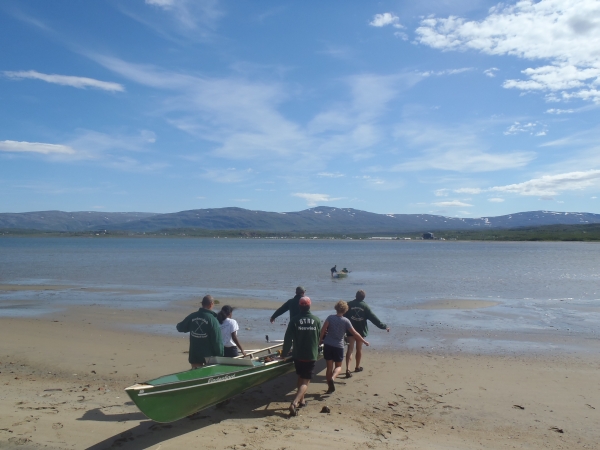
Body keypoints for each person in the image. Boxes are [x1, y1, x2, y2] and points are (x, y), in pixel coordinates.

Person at [281, 296, 321, 417]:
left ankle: (302, 401)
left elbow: (288, 338)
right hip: (310, 354)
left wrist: (284, 353)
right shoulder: (316, 320)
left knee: (300, 376)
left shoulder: (294, 320)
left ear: (299, 306)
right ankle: (294, 403)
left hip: (298, 354)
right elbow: (319, 337)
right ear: (310, 306)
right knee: (306, 381)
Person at [319, 300, 368, 394]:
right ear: (345, 310)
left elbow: (323, 330)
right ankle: (333, 378)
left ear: (336, 308)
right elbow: (355, 333)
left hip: (328, 344)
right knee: (338, 366)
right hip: (338, 346)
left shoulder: (330, 317)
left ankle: (330, 387)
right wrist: (364, 341)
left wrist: (320, 340)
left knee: (329, 367)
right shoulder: (346, 321)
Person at [344, 290, 389, 378]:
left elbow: (342, 315)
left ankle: (348, 369)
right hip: (360, 331)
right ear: (363, 297)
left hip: (350, 330)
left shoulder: (348, 304)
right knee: (359, 349)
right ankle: (357, 367)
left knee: (350, 349)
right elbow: (374, 318)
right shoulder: (365, 306)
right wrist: (384, 326)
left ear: (356, 296)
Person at [176, 295, 224, 368]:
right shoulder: (213, 320)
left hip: (195, 354)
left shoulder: (192, 316)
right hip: (209, 356)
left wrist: (192, 326)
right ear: (211, 304)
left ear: (202, 303)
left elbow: (180, 327)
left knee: (196, 375)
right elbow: (217, 340)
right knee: (207, 376)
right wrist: (220, 354)